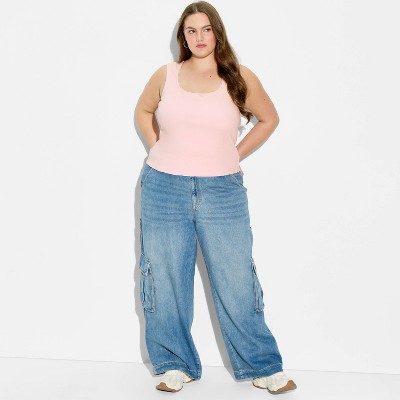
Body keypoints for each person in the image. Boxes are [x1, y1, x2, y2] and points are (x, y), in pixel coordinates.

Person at [135, 1, 297, 395]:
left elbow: (269, 119)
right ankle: (174, 364)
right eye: (191, 30)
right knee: (165, 277)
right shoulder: (166, 75)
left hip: (222, 190)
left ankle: (262, 365)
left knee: (236, 277)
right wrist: (159, 149)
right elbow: (143, 111)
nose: (199, 37)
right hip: (163, 188)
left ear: (217, 32)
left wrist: (234, 154)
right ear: (183, 36)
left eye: (206, 29)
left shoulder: (238, 75)